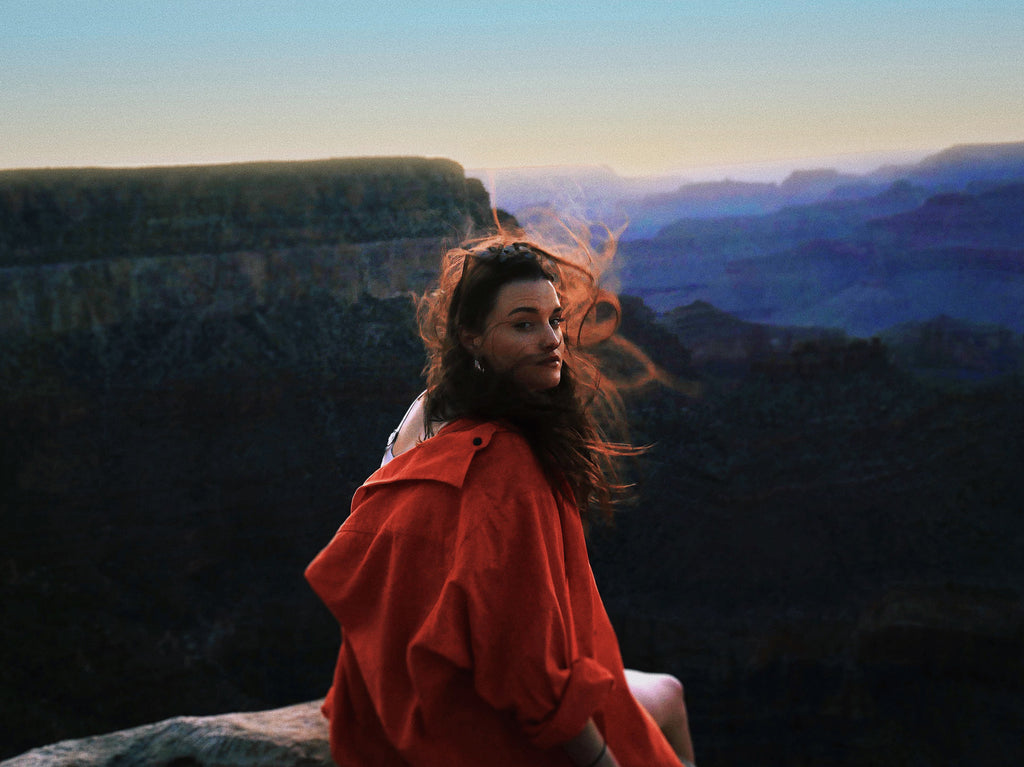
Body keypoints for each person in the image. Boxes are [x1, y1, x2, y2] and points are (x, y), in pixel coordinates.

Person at [306, 226, 696, 767]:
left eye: (554, 320)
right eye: (523, 324)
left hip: (390, 700)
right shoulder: (508, 463)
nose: (551, 339)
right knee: (667, 697)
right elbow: (527, 665)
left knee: (665, 691)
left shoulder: (426, 411)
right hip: (472, 726)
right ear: (470, 335)